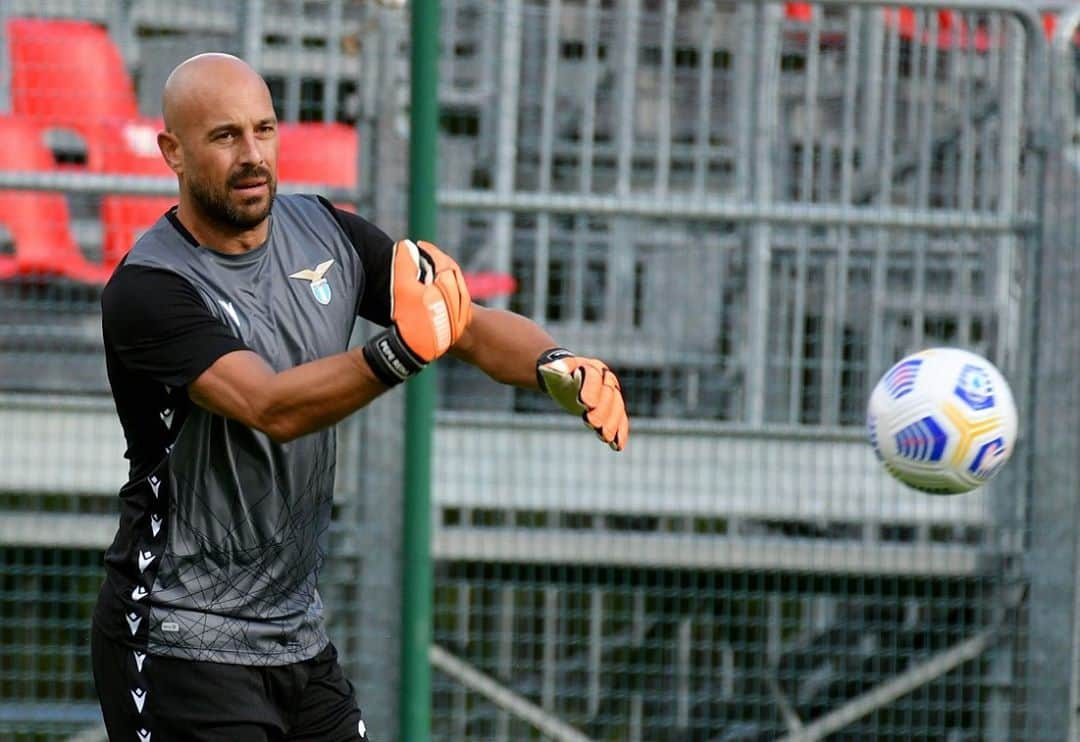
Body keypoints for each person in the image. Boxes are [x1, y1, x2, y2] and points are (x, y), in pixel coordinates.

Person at [90, 53, 629, 741]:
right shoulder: (150, 288)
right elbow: (270, 407)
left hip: (295, 640)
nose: (253, 155)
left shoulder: (327, 233)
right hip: (176, 641)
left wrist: (555, 363)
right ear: (173, 151)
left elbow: (463, 324)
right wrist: (398, 352)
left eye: (265, 130)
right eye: (225, 137)